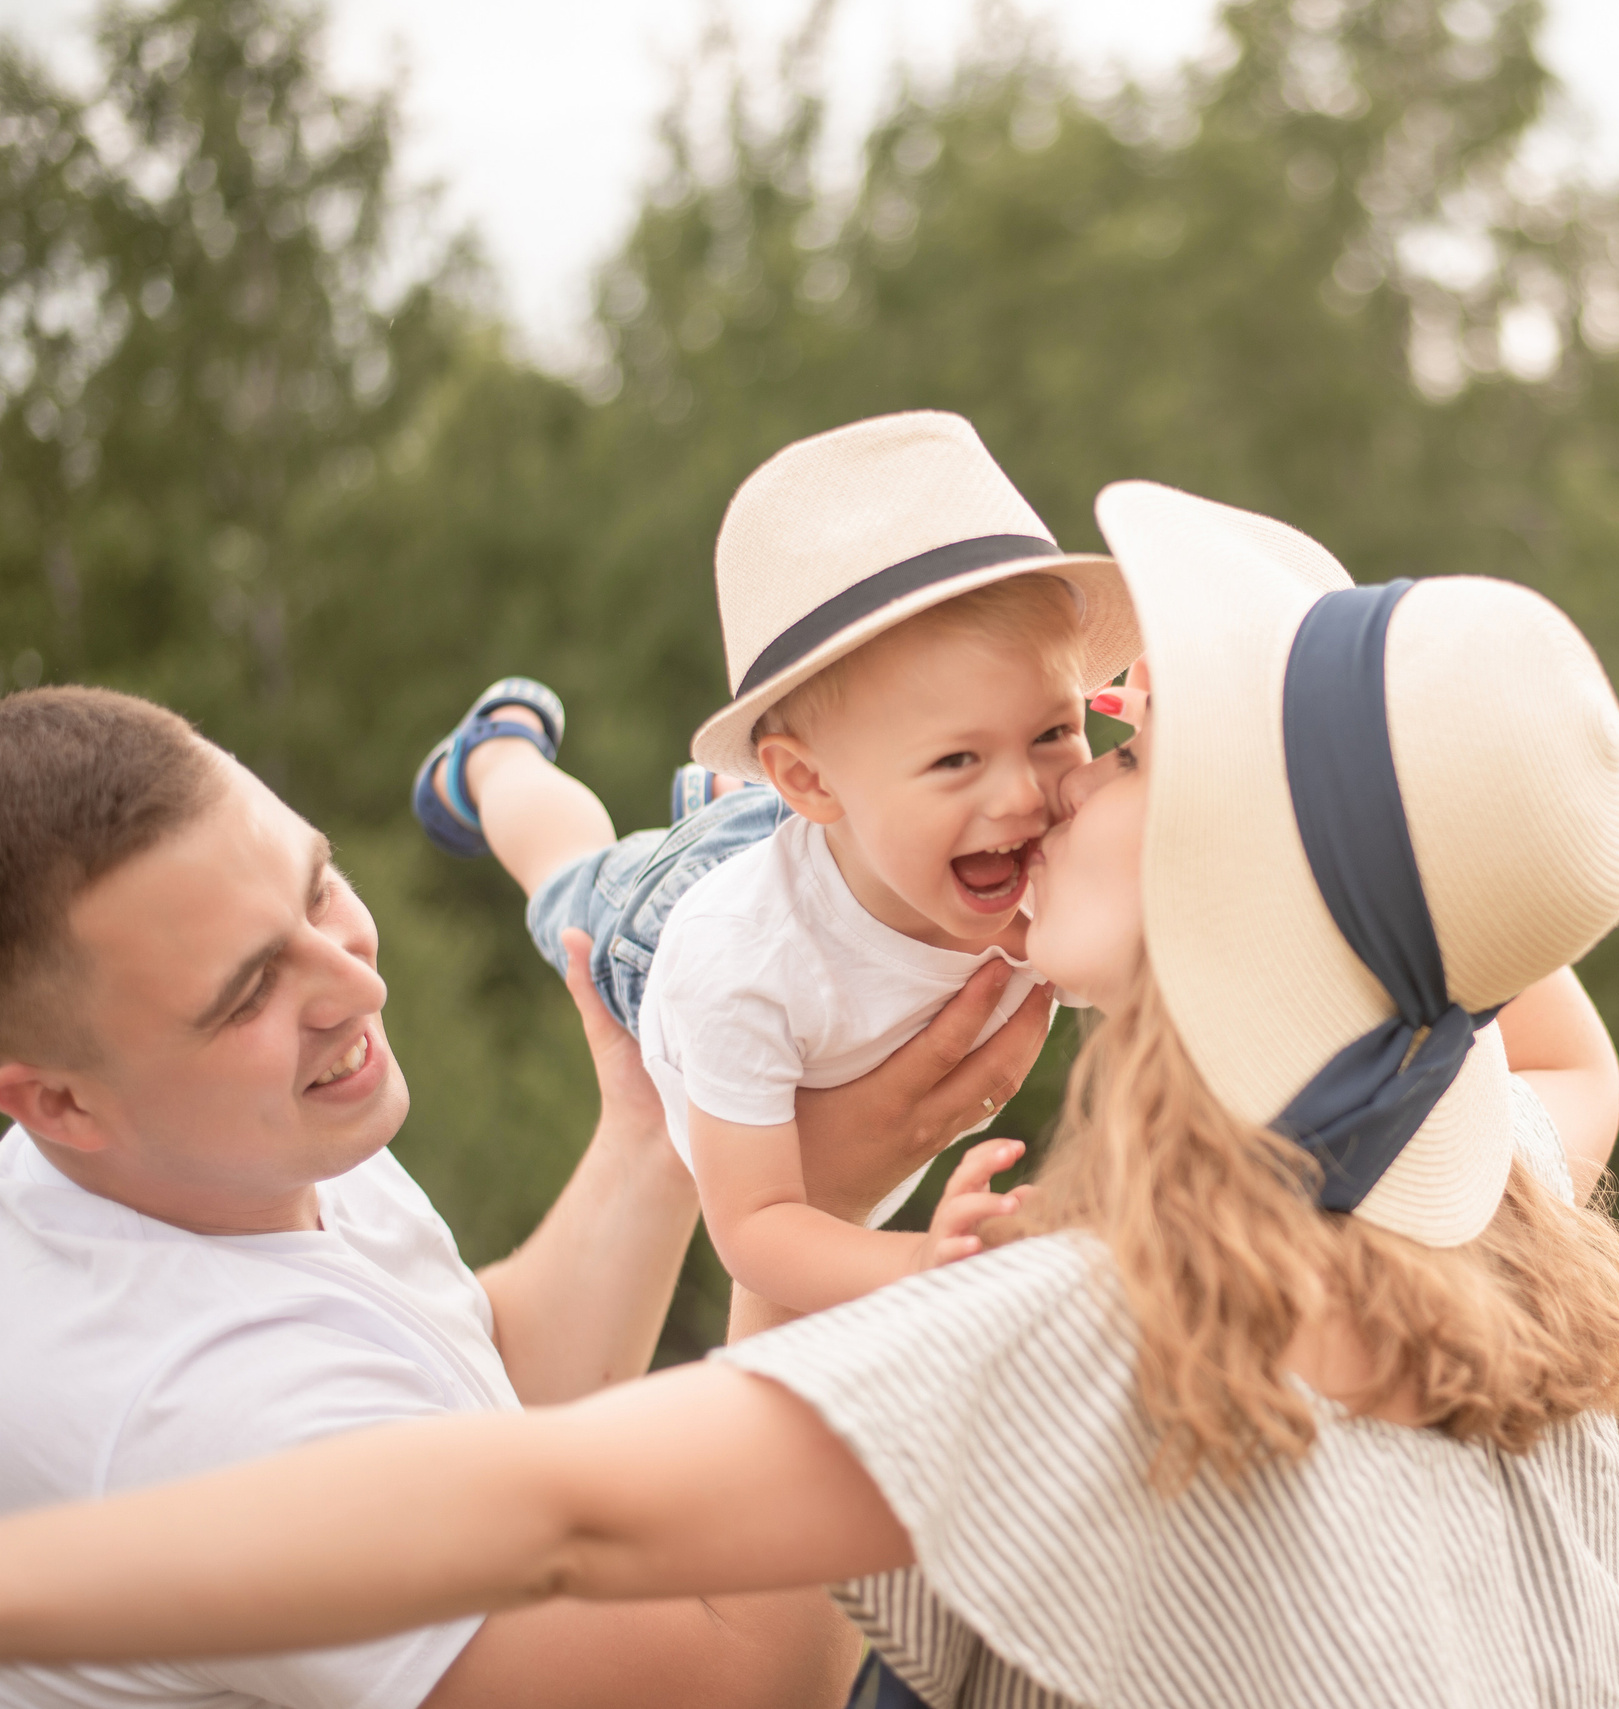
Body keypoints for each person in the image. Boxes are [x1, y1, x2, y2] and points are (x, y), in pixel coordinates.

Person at [0, 482, 1619, 1708]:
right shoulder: (1503, 1218)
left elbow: (560, 1509)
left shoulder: (1083, 1336)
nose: (1062, 775)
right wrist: (1404, 801)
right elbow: (1537, 1019)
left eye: (1126, 744)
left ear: (1209, 874)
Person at [0, 684, 1053, 1709]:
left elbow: (473, 1391)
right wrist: (810, 1217)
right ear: (55, 1100)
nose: (355, 982)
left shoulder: (211, 1126)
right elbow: (750, 1685)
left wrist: (662, 1137)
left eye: (319, 885)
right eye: (247, 992)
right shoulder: (196, 1425)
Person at [411, 412, 1141, 1313]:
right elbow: (755, 1228)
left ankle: (746, 807)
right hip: (669, 917)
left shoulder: (1045, 864)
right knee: (567, 866)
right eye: (958, 759)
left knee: (820, 837)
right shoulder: (738, 965)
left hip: (841, 835)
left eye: (1054, 732)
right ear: (811, 779)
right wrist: (919, 1265)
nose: (1023, 797)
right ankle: (495, 757)